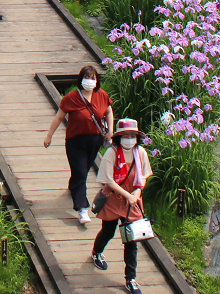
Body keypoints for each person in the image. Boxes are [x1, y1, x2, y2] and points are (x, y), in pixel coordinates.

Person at [43, 65, 113, 224]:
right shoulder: (71, 98)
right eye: (87, 77)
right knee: (81, 172)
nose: (90, 80)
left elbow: (108, 111)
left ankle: (73, 186)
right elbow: (59, 118)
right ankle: (82, 209)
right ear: (81, 79)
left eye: (93, 77)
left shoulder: (101, 95)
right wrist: (49, 136)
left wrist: (111, 130)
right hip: (75, 142)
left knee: (82, 171)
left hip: (95, 140)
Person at [91, 118, 154, 294]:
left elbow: (143, 177)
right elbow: (108, 180)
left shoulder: (140, 153)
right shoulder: (111, 153)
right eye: (125, 136)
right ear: (119, 137)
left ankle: (131, 279)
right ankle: (97, 251)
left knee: (131, 242)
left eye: (131, 135)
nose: (128, 139)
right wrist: (127, 194)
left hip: (131, 204)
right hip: (113, 200)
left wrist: (137, 193)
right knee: (108, 232)